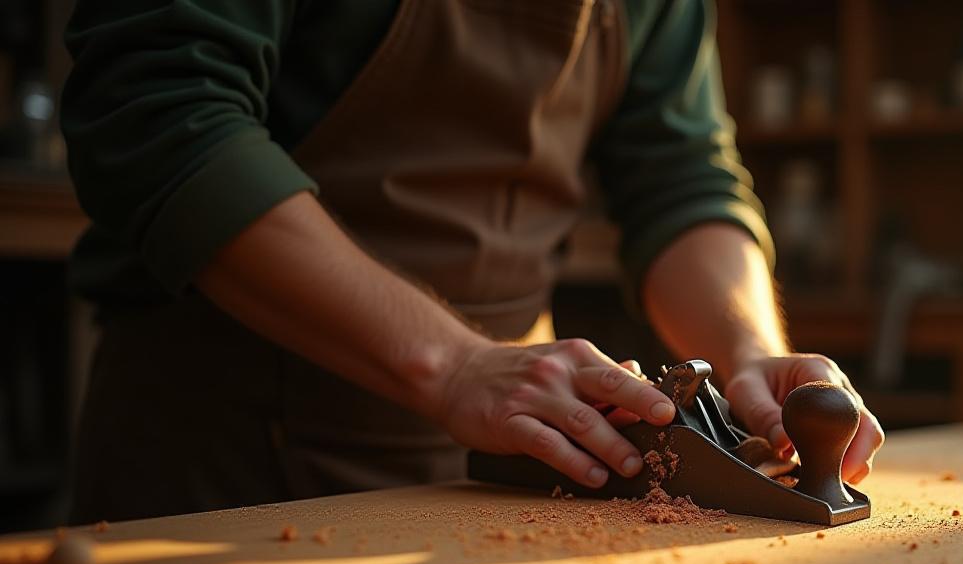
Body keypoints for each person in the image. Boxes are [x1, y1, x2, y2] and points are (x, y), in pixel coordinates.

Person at [60, 0, 884, 523]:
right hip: (231, 466)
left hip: (519, 466)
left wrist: (745, 354)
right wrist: (454, 366)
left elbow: (680, 177)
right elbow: (166, 116)